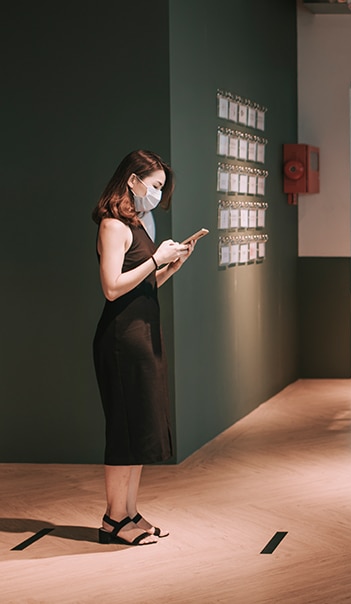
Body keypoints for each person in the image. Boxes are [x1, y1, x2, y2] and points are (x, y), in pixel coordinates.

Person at [92, 150, 192, 546]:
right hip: (121, 340)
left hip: (142, 334)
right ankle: (113, 521)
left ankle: (130, 512)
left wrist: (169, 267)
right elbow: (112, 287)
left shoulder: (136, 222)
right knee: (125, 428)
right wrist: (156, 261)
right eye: (154, 186)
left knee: (140, 427)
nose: (157, 194)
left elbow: (141, 286)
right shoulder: (112, 225)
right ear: (132, 181)